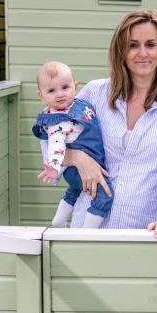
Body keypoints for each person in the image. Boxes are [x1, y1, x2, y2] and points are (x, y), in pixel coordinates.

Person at [60, 9, 157, 239]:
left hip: (149, 229)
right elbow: (52, 144)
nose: (142, 53)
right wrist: (78, 158)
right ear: (121, 51)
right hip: (89, 226)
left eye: (150, 44)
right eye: (133, 45)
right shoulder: (94, 93)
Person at [31, 61, 112, 228]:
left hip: (83, 167)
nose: (60, 94)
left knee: (74, 191)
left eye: (65, 87)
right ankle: (87, 232)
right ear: (41, 96)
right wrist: (53, 167)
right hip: (77, 170)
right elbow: (55, 145)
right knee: (104, 197)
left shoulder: (77, 105)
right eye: (51, 91)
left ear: (75, 87)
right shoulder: (57, 122)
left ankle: (59, 220)